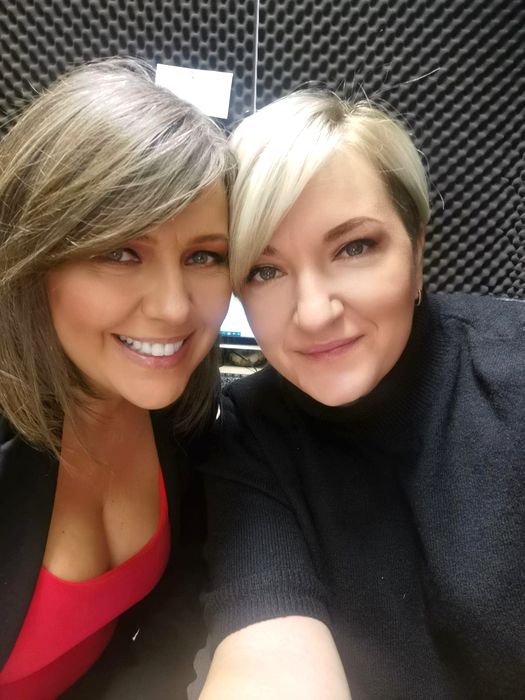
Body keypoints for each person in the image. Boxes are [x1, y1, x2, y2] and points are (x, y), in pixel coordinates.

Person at [193, 91, 525, 699]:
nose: (314, 313)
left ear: (417, 249)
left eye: (354, 247)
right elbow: (267, 655)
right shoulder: (249, 433)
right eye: (266, 270)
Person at [0, 58, 233, 698]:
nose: (175, 308)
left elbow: (169, 622)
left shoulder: (183, 418)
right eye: (121, 251)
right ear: (32, 260)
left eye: (204, 256)